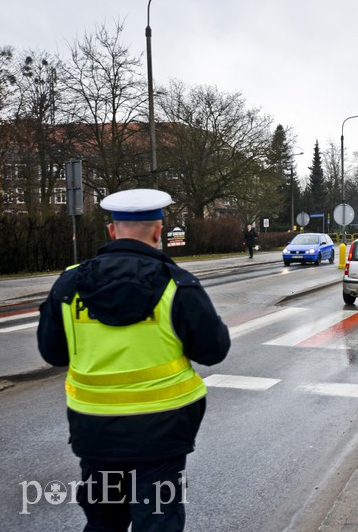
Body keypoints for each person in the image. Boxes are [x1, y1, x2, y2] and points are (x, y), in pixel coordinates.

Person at [37, 188, 231, 531]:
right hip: (162, 433)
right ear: (158, 232)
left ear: (112, 231)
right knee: (157, 521)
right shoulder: (177, 285)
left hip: (95, 431)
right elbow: (214, 351)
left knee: (104, 522)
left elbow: (52, 353)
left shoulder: (69, 284)